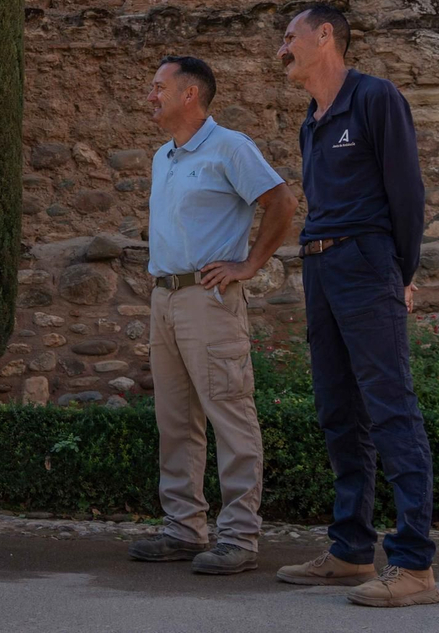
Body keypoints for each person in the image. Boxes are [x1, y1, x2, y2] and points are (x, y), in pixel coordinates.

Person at [274, 4, 439, 608]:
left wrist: (401, 272)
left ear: (325, 37)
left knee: (391, 409)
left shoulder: (375, 98)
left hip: (367, 260)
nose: (281, 49)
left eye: (289, 37)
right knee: (338, 409)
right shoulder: (311, 122)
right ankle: (349, 551)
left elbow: (407, 194)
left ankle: (415, 566)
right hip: (320, 264)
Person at [129, 56, 294, 575]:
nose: (150, 96)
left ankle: (240, 537)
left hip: (209, 299)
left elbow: (281, 201)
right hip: (165, 297)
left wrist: (250, 265)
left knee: (229, 413)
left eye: (158, 88)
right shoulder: (164, 156)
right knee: (175, 421)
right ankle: (184, 529)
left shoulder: (231, 147)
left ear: (190, 94)